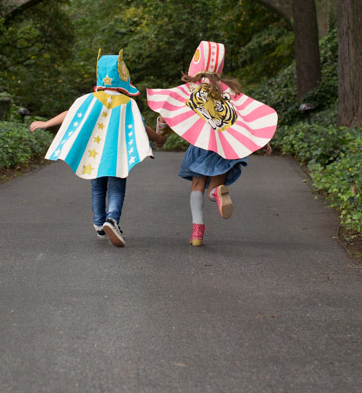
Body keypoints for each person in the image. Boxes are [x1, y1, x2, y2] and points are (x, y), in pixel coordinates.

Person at [147, 41, 277, 247]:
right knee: (213, 188)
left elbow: (165, 114)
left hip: (201, 145)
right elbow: (244, 119)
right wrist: (262, 142)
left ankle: (197, 233)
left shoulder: (189, 89)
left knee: (197, 185)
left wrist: (161, 136)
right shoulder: (227, 91)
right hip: (224, 148)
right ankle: (217, 192)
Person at [30, 50, 166, 247]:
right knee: (117, 187)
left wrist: (46, 123)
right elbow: (140, 126)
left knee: (97, 186)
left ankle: (99, 223)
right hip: (116, 155)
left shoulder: (88, 99)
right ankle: (111, 219)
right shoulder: (128, 103)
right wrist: (158, 139)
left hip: (94, 153)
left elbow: (70, 114)